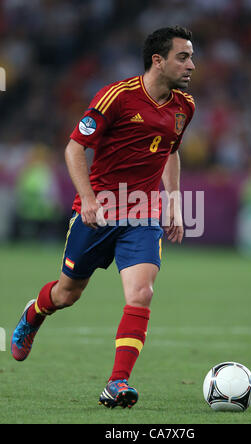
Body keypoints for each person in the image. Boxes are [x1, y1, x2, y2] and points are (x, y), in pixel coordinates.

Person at [11, 26, 195, 409]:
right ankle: (34, 312)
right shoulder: (117, 97)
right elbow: (75, 148)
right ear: (158, 61)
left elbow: (171, 152)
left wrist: (174, 202)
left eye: (192, 56)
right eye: (183, 56)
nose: (191, 64)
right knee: (67, 294)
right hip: (99, 212)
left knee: (142, 293)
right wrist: (89, 199)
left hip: (143, 213)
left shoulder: (184, 107)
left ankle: (117, 383)